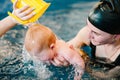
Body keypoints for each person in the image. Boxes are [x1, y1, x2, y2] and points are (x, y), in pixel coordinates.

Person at [52, 0, 120, 79]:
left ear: (116, 36)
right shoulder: (86, 33)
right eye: (88, 26)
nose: (89, 35)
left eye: (96, 33)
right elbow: (63, 47)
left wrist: (82, 61)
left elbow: (106, 77)